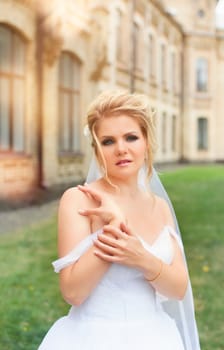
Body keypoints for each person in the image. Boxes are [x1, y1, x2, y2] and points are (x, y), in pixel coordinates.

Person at [38, 91, 200, 350]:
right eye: (108, 141)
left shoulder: (160, 208)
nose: (121, 149)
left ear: (146, 141)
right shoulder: (79, 200)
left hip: (156, 337)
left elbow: (178, 289)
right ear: (96, 149)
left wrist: (142, 258)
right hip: (93, 337)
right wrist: (114, 227)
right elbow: (73, 293)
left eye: (131, 137)